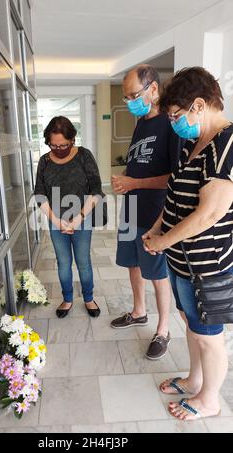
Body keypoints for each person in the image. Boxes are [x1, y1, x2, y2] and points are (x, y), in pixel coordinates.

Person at [143, 66, 233, 420]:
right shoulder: (193, 144)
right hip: (182, 261)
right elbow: (173, 198)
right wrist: (155, 229)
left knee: (208, 333)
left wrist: (163, 240)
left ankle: (210, 400)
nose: (175, 123)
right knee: (191, 322)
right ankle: (195, 380)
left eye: (177, 116)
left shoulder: (227, 145)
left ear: (199, 105)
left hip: (208, 264)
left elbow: (208, 215)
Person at [110, 64, 184, 360]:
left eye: (133, 95)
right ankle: (139, 312)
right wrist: (125, 181)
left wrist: (135, 182)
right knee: (132, 263)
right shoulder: (142, 122)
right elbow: (139, 163)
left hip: (155, 215)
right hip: (130, 209)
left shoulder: (171, 124)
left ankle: (163, 330)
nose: (129, 103)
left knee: (157, 273)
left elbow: (175, 176)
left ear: (153, 89)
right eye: (126, 98)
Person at [34, 116, 103, 318]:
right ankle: (67, 299)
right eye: (53, 145)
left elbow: (97, 190)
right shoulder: (45, 161)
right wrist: (57, 221)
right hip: (56, 220)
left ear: (73, 139)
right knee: (63, 262)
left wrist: (79, 218)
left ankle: (89, 298)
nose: (58, 149)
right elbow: (39, 194)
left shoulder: (84, 156)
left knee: (83, 261)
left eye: (63, 145)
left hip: (82, 217)